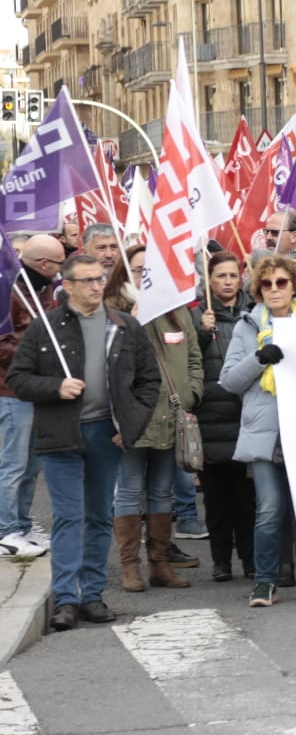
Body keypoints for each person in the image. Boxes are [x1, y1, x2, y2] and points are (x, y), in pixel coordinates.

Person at [7, 254, 162, 630]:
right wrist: (55, 387)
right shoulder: (45, 327)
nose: (96, 286)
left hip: (106, 433)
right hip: (61, 435)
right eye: (88, 280)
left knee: (98, 516)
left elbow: (148, 380)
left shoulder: (124, 325)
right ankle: (66, 598)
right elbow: (18, 379)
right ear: (69, 286)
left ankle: (92, 594)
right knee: (68, 517)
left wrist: (131, 425)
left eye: (100, 279)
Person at [220, 255, 296, 607]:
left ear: (294, 287)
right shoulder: (246, 326)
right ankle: (265, 581)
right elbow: (229, 381)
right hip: (266, 432)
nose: (274, 289)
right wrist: (259, 358)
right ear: (258, 290)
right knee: (269, 510)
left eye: (281, 282)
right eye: (266, 284)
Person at [104, 246, 204, 593]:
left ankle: (160, 564)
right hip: (133, 419)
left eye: (152, 269)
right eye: (138, 269)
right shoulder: (113, 312)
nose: (145, 275)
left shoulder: (175, 310)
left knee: (163, 491)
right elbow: (109, 367)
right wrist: (132, 322)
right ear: (125, 272)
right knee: (130, 491)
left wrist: (190, 394)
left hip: (171, 415)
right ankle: (130, 567)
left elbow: (193, 358)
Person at [0, 234, 65, 557]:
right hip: (12, 390)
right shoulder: (8, 291)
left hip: (37, 389)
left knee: (30, 465)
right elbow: (2, 344)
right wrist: (40, 354)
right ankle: (5, 531)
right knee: (13, 464)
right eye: (59, 263)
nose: (61, 270)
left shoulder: (44, 290)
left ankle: (22, 526)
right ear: (44, 264)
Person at [192, 251, 255, 582]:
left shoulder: (253, 313)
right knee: (216, 500)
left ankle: (250, 559)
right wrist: (202, 333)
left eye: (233, 275)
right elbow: (188, 359)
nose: (228, 282)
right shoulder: (197, 315)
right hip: (211, 417)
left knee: (247, 499)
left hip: (246, 414)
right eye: (221, 276)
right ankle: (221, 561)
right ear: (209, 280)